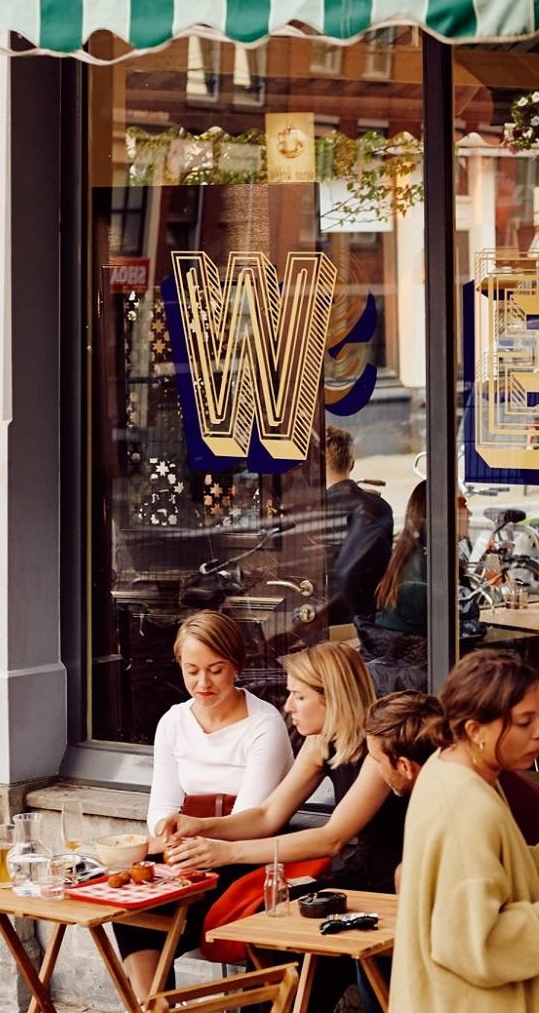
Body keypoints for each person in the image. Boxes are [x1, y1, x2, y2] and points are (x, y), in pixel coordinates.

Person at [158, 643, 407, 1013]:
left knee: (305, 956)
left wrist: (226, 851)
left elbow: (331, 838)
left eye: (298, 695)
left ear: (333, 697)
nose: (287, 705)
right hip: (356, 877)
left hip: (397, 879)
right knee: (270, 940)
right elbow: (267, 815)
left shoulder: (378, 744)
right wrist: (204, 825)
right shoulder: (320, 740)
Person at [389, 649, 539, 1013]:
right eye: (524, 722)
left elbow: (476, 874)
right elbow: (475, 946)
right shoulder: (466, 806)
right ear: (475, 730)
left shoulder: (449, 768)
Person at [115, 610, 295, 998]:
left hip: (243, 854)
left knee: (171, 902)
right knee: (131, 908)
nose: (203, 683)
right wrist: (172, 834)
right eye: (191, 669)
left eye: (215, 669)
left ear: (237, 666)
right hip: (187, 848)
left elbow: (254, 819)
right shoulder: (173, 722)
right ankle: (155, 1008)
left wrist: (191, 834)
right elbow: (160, 812)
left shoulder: (265, 724)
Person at [356, 481, 429, 693]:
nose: (468, 512)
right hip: (416, 681)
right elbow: (456, 631)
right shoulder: (423, 575)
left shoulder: (411, 559)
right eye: (462, 504)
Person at [324, 426, 394, 625]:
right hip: (374, 615)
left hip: (333, 618)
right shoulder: (381, 506)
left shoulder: (319, 511)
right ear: (352, 463)